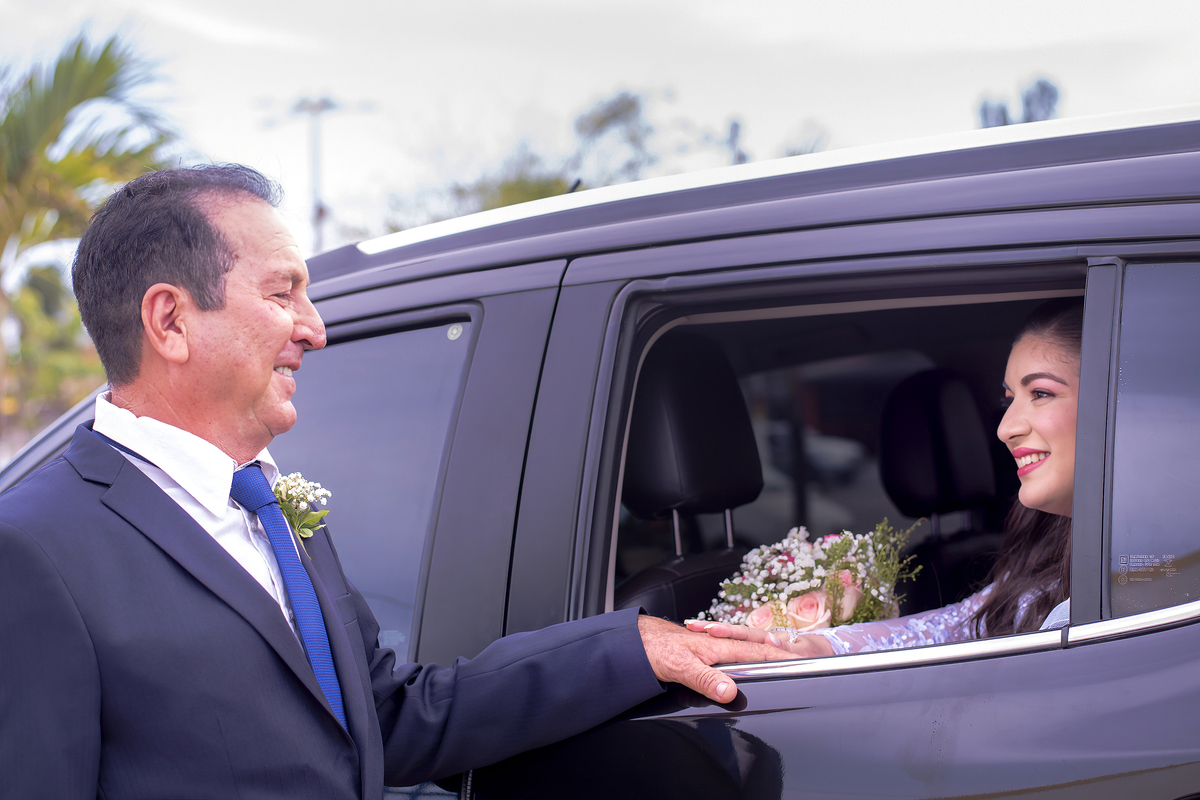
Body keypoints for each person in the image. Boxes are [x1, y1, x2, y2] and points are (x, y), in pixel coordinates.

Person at [0, 165, 796, 800]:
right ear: (170, 321)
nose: (315, 327)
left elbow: (387, 720)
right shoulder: (35, 549)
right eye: (283, 293)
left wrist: (629, 647)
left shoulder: (271, 506)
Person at [689, 298, 1082, 654]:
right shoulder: (1047, 546)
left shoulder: (1134, 567)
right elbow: (953, 627)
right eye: (1009, 399)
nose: (1005, 427)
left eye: (1041, 393)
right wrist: (814, 646)